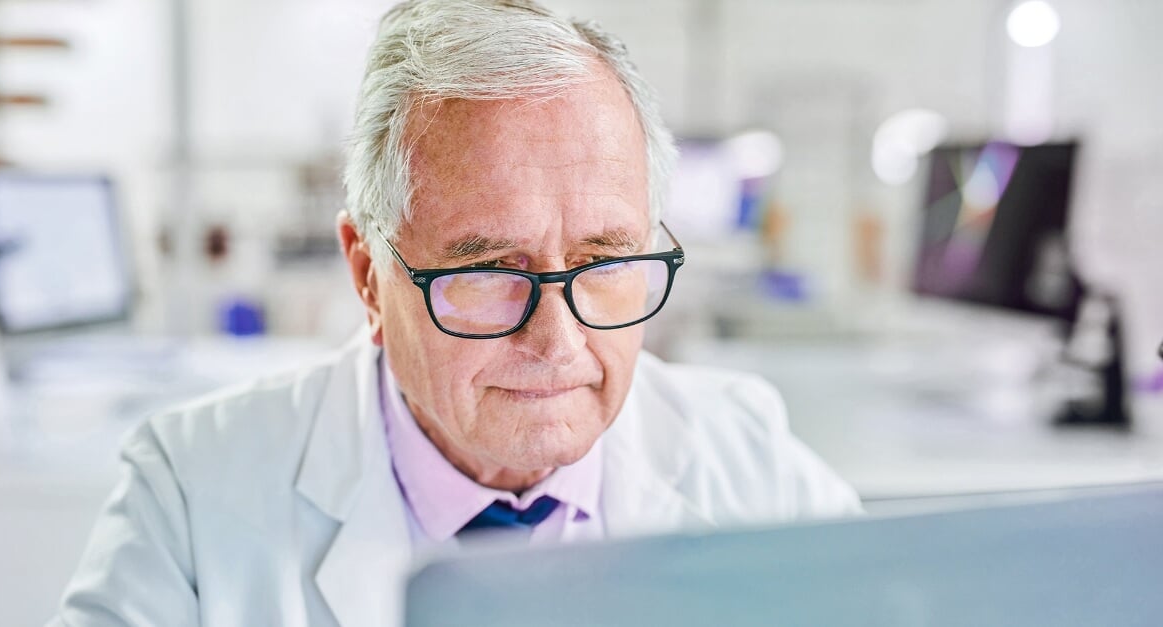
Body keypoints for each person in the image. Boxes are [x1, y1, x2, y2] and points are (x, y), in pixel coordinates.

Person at [50, 1, 860, 625]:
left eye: (605, 260)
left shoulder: (748, 460)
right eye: (487, 271)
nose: (558, 340)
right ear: (368, 275)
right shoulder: (190, 493)